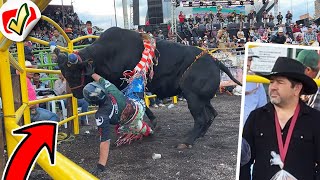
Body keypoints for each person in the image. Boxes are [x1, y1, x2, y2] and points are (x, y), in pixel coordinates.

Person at [240, 57, 320, 180]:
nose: (273, 87)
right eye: (272, 82)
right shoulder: (256, 117)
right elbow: (244, 163)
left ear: (297, 89)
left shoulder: (315, 120)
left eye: (280, 82)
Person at [83, 72, 154, 174]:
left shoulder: (102, 115)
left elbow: (105, 140)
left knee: (138, 128)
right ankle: (149, 126)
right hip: (138, 104)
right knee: (139, 75)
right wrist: (91, 73)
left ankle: (149, 130)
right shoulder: (111, 89)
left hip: (129, 123)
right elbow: (101, 80)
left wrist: (101, 165)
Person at [243, 50, 267, 123]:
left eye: (250, 60)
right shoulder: (228, 78)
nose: (248, 63)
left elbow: (262, 107)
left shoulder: (256, 81)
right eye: (246, 59)